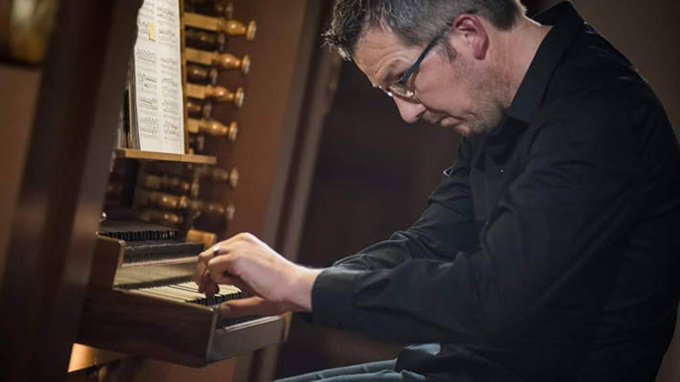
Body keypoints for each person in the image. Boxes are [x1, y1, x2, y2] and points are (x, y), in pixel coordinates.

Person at [196, 0, 680, 380]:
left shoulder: (594, 115)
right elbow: (428, 243)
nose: (408, 112)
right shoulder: (500, 105)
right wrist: (299, 286)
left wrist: (306, 287)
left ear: (468, 34)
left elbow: (491, 300)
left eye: (404, 79)